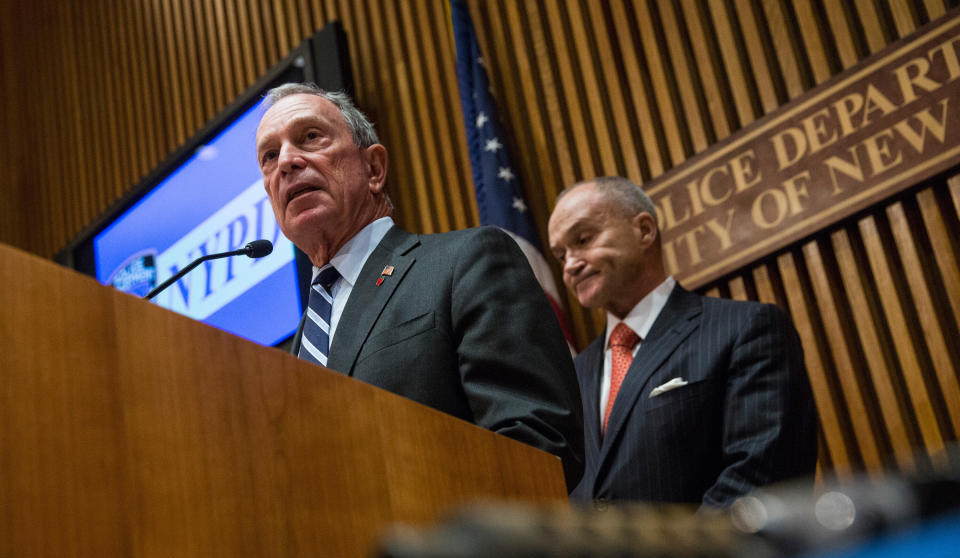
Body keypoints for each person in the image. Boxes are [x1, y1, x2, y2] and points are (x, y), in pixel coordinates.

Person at [255, 83, 584, 490]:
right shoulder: (301, 341)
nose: (286, 161)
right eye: (269, 156)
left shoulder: (466, 261)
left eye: (310, 137)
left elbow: (538, 444)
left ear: (373, 169)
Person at [547, 176, 817, 507]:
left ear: (644, 230)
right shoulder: (573, 377)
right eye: (561, 256)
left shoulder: (744, 329)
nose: (571, 265)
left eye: (584, 239)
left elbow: (761, 476)